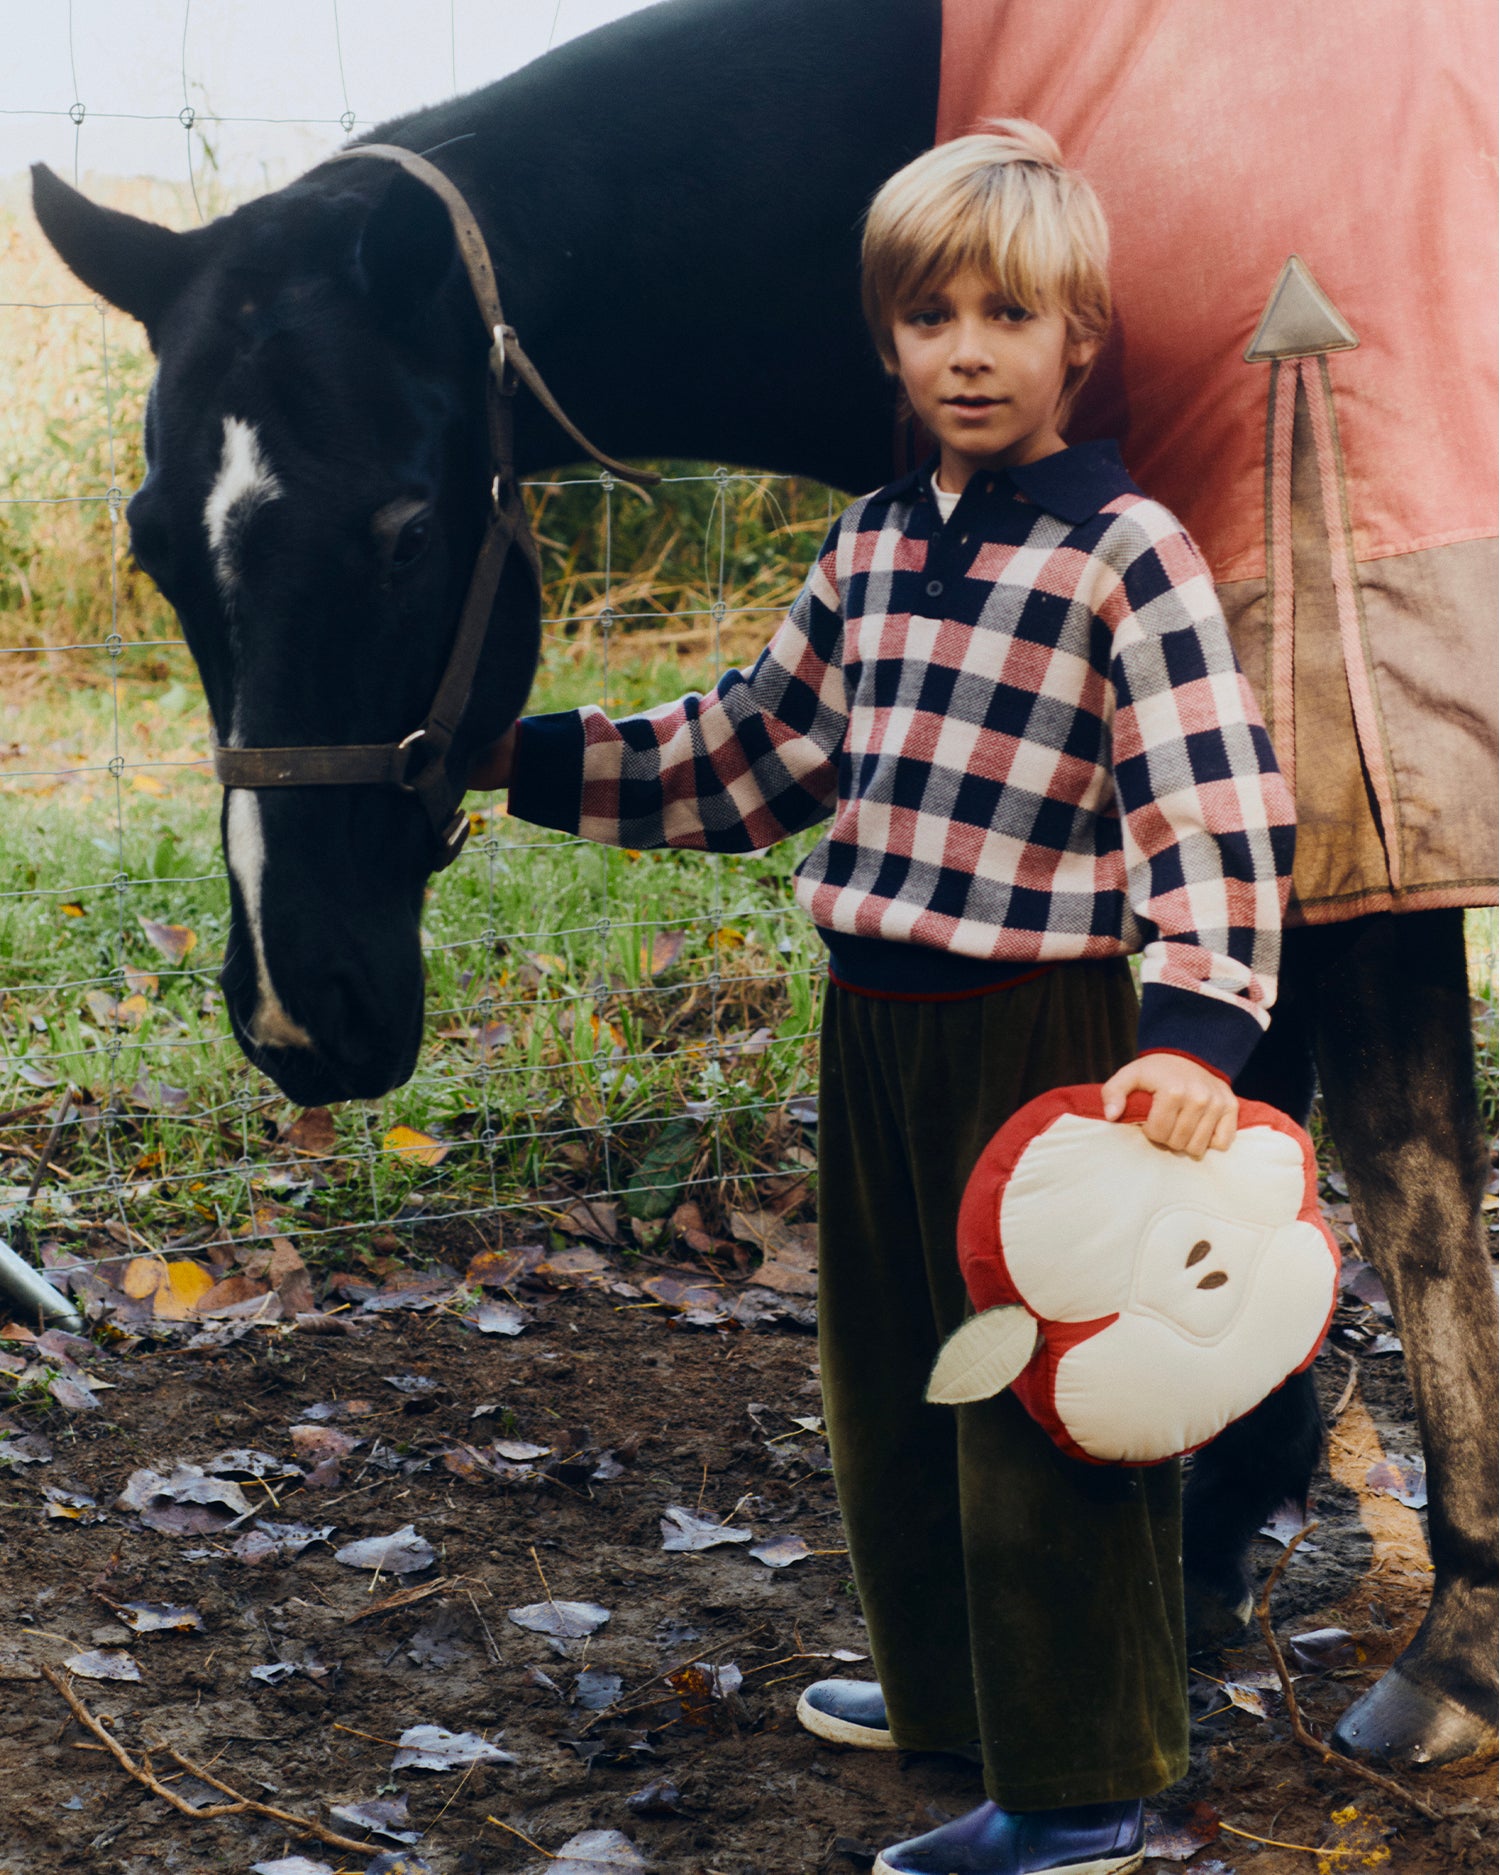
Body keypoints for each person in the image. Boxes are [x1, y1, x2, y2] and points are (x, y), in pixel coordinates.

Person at [472, 121, 1294, 1875]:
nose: (971, 350)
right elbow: (749, 758)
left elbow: (1212, 805)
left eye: (1011, 314)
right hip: (877, 1025)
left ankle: (1078, 1786)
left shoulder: (1124, 552)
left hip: (1047, 1035)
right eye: (931, 317)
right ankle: (948, 1692)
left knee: (1041, 1403)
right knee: (896, 1381)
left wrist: (1198, 1031)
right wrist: (514, 757)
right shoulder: (865, 551)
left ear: (1079, 337)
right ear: (890, 342)